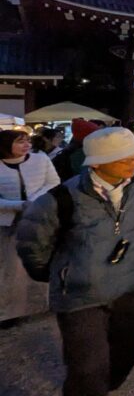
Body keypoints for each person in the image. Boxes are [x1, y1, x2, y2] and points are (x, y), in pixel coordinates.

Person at [16, 127, 134, 395]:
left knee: (130, 346)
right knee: (87, 367)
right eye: (124, 157)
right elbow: (31, 242)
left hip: (133, 284)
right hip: (81, 294)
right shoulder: (60, 199)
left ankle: (108, 383)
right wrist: (61, 273)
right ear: (96, 163)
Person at [1, 130, 60, 322]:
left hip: (38, 218)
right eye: (20, 141)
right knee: (10, 268)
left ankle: (44, 304)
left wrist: (35, 201)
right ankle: (10, 311)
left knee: (40, 260)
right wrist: (18, 205)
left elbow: (53, 183)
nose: (26, 145)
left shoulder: (40, 159)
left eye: (27, 140)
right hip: (7, 222)